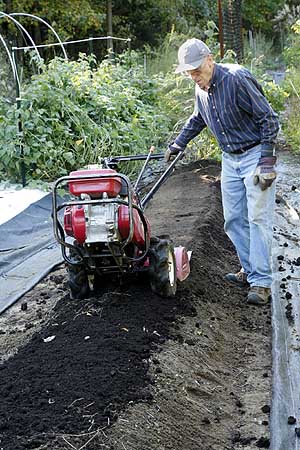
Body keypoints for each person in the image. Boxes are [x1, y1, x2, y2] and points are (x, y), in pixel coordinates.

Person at [166, 38, 279, 305]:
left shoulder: (237, 79)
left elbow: (269, 120)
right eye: (188, 72)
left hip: (255, 153)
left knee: (258, 219)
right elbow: (198, 119)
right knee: (233, 219)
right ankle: (250, 271)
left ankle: (262, 283)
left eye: (196, 70)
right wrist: (178, 143)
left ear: (209, 60)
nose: (193, 76)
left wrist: (267, 163)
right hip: (230, 158)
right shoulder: (200, 89)